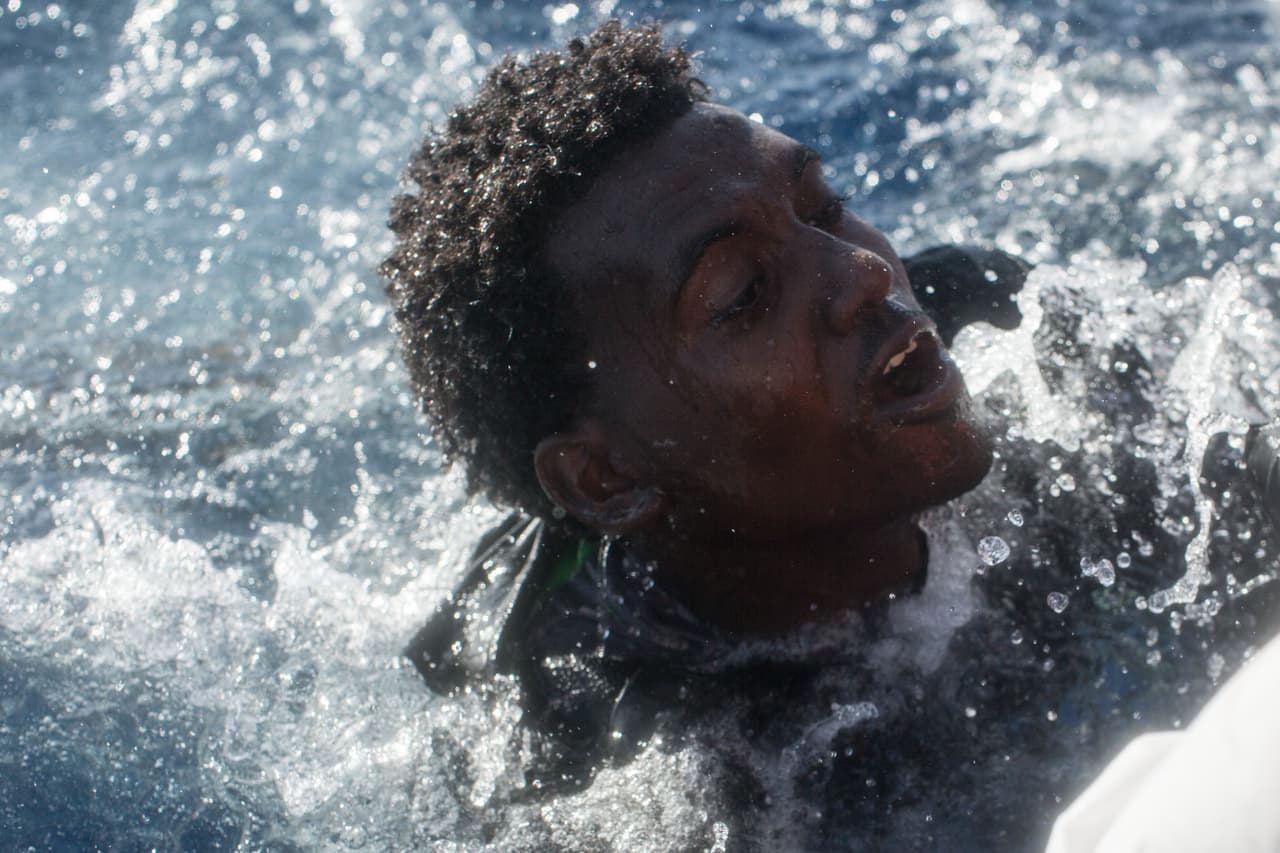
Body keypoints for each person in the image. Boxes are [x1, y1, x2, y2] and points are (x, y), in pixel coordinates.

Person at [381, 20, 1278, 848]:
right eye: (744, 295)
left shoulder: (1001, 327)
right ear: (606, 478)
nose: (865, 270)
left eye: (824, 206)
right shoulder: (638, 780)